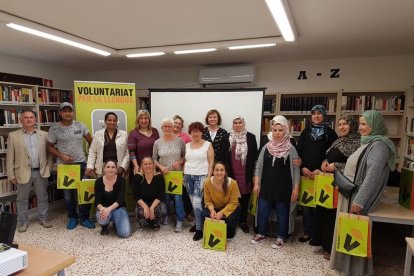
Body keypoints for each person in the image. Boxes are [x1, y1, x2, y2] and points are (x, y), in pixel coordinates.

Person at [329, 110, 396, 276]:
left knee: (354, 234)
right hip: (350, 194)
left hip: (357, 198)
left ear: (376, 125)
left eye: (365, 124)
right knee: (346, 233)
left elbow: (372, 176)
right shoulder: (369, 142)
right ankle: (344, 268)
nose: (360, 128)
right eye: (360, 124)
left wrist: (359, 201)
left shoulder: (380, 146)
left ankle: (355, 271)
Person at [251, 115, 300, 249]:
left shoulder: (291, 148)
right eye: (275, 130)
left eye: (280, 130)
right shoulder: (266, 147)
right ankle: (261, 233)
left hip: (283, 188)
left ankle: (281, 237)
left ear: (285, 131)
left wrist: (296, 188)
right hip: (266, 186)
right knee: (262, 211)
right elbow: (259, 166)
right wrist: (256, 184)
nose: (277, 133)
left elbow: (296, 170)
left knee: (282, 214)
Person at [47, 102, 95, 230]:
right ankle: (73, 217)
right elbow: (49, 147)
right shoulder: (54, 128)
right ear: (60, 113)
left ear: (73, 112)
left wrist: (92, 161)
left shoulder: (80, 125)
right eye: (65, 111)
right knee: (68, 195)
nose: (67, 113)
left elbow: (92, 142)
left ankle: (84, 218)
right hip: (65, 166)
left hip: (82, 164)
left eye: (70, 110)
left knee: (85, 192)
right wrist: (61, 156)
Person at [319, 114, 360, 260]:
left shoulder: (358, 143)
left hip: (342, 186)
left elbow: (356, 166)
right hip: (328, 184)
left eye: (345, 124)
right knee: (327, 214)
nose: (342, 127)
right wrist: (324, 162)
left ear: (352, 125)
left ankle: (335, 250)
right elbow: (329, 156)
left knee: (337, 215)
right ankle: (326, 246)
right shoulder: (338, 141)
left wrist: (335, 166)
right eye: (340, 124)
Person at [6, 110, 53, 232]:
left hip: (41, 172)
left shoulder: (44, 135)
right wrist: (11, 174)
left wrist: (49, 167)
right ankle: (23, 222)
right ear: (21, 120)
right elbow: (10, 157)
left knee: (42, 196)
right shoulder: (13, 135)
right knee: (22, 199)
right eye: (26, 117)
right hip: (22, 173)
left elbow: (50, 154)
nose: (29, 119)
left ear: (35, 120)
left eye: (31, 117)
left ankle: (43, 218)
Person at [296, 104, 337, 244]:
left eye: (319, 113)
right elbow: (298, 152)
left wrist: (322, 169)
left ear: (324, 115)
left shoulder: (331, 134)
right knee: (307, 207)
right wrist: (303, 168)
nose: (316, 116)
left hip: (323, 176)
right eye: (313, 114)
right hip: (307, 174)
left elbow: (333, 155)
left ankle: (319, 235)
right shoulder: (305, 132)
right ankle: (308, 232)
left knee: (321, 206)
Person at [223, 116, 258, 233]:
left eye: (240, 122)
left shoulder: (251, 137)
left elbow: (254, 157)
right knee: (232, 198)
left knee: (244, 198)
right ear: (233, 124)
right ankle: (232, 220)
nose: (237, 125)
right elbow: (224, 157)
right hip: (231, 173)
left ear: (243, 124)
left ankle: (243, 221)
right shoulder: (227, 137)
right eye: (235, 123)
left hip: (246, 174)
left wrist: (253, 175)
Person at [153, 117, 186, 232]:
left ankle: (180, 220)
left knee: (177, 197)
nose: (167, 128)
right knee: (165, 197)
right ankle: (165, 215)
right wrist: (160, 167)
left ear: (173, 127)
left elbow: (185, 156)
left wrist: (180, 161)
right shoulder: (157, 142)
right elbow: (154, 159)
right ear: (162, 128)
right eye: (165, 126)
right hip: (164, 175)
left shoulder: (180, 141)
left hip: (176, 175)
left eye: (169, 126)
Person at [184, 122, 214, 241]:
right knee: (193, 202)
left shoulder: (208, 145)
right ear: (190, 132)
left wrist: (208, 177)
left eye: (198, 131)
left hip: (201, 176)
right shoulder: (186, 145)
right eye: (193, 131)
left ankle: (199, 229)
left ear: (202, 132)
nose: (195, 133)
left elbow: (211, 162)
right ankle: (198, 224)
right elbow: (185, 161)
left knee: (197, 203)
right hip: (188, 176)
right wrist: (183, 175)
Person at [201, 162, 241, 240]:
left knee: (230, 223)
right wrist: (212, 210)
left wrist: (222, 213)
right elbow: (207, 200)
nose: (219, 172)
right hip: (215, 207)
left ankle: (232, 227)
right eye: (217, 170)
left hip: (231, 208)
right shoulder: (207, 183)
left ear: (225, 172)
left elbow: (233, 203)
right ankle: (215, 227)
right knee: (204, 214)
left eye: (222, 170)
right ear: (213, 172)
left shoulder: (233, 183)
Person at [86, 112, 129, 178]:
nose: (112, 122)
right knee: (102, 187)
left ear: (117, 121)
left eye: (114, 120)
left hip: (118, 169)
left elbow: (127, 153)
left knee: (118, 187)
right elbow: (92, 152)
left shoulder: (124, 134)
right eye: (109, 120)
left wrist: (123, 167)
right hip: (101, 169)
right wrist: (90, 166)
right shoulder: (97, 134)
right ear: (105, 121)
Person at [94, 160, 131, 238]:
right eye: (108, 167)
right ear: (104, 169)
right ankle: (104, 226)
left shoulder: (121, 180)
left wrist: (109, 209)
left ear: (116, 169)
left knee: (124, 233)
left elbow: (120, 200)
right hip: (104, 208)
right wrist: (102, 209)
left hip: (118, 208)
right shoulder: (98, 182)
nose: (110, 169)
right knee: (102, 219)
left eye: (113, 167)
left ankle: (115, 222)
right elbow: (97, 201)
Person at [132, 157, 167, 230]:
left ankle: (155, 222)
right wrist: (145, 207)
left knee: (162, 209)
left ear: (153, 165)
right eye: (145, 164)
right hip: (143, 202)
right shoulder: (137, 177)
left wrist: (151, 208)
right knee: (140, 212)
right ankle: (146, 222)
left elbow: (161, 195)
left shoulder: (159, 176)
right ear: (142, 166)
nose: (148, 166)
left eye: (150, 164)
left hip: (155, 202)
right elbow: (136, 196)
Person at [173, 114, 194, 222]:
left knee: (184, 191)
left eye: (179, 124)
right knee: (172, 192)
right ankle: (174, 213)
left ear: (182, 126)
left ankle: (188, 212)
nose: (177, 125)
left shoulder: (186, 137)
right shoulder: (167, 135)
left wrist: (182, 165)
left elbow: (189, 153)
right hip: (170, 170)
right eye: (175, 122)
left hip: (183, 168)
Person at [128, 110, 160, 175]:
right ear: (138, 120)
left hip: (154, 167)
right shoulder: (133, 133)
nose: (143, 121)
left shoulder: (155, 131)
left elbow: (159, 148)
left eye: (146, 118)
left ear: (149, 120)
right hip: (140, 168)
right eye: (141, 118)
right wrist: (136, 165)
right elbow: (131, 151)